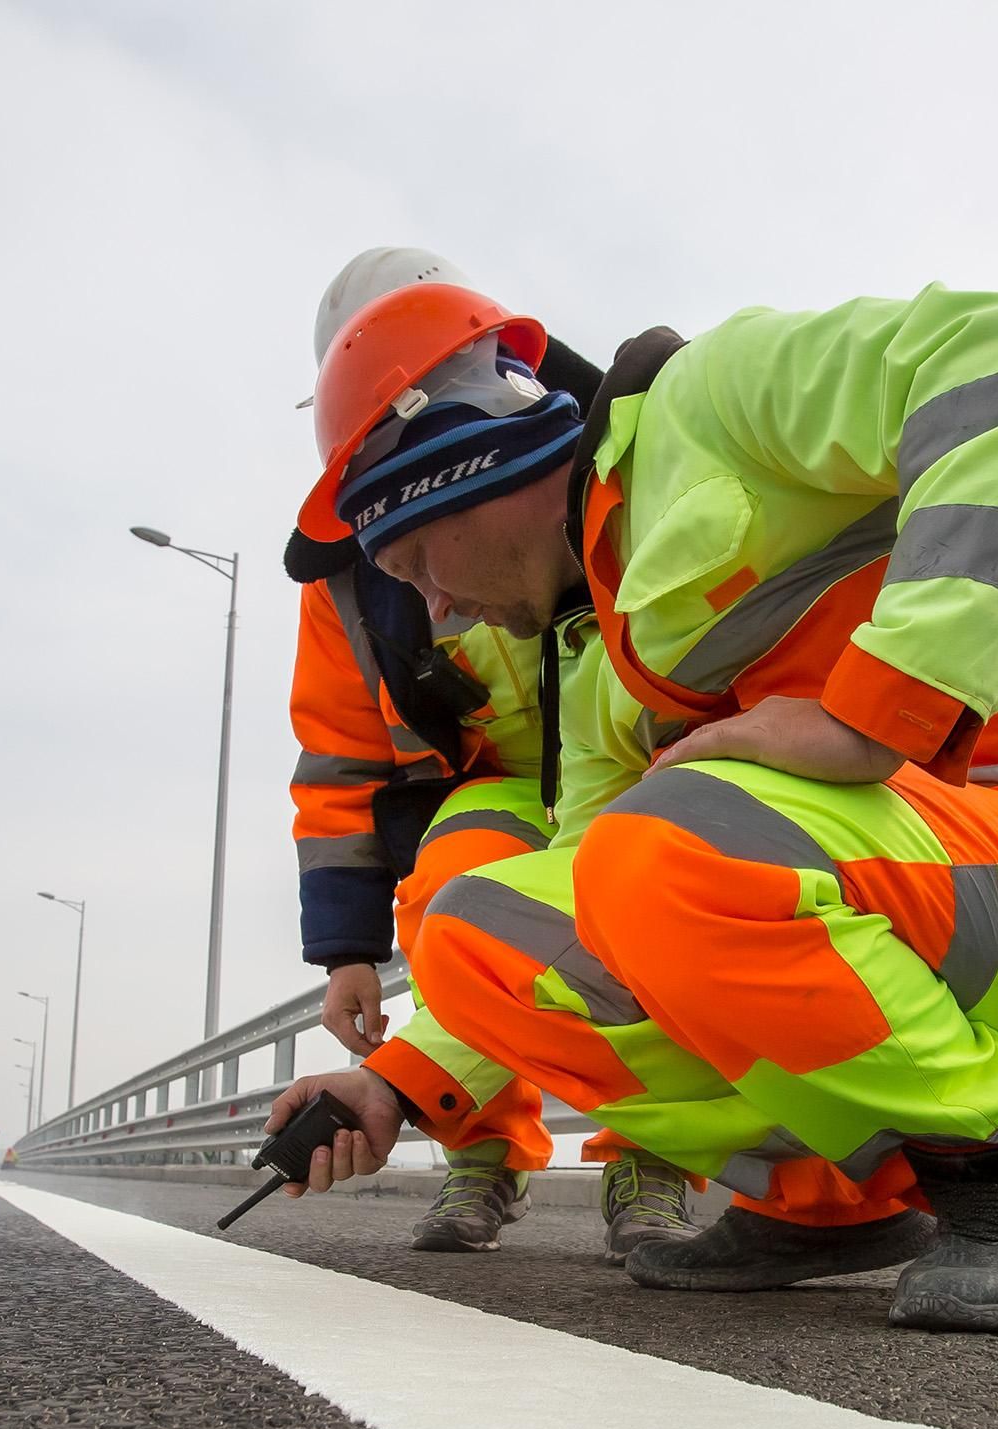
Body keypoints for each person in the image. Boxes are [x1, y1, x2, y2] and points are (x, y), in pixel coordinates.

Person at [266, 277, 998, 1332]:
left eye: (416, 562)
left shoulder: (710, 401)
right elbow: (589, 916)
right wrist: (397, 1086)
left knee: (659, 854)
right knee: (475, 933)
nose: (439, 609)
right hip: (879, 890)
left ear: (466, 470)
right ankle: (827, 1198)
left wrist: (884, 707)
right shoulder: (595, 663)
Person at [283, 249, 697, 1262]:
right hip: (501, 783)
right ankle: (479, 1147)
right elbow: (341, 760)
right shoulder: (344, 581)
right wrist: (346, 950)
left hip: (636, 750)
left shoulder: (591, 448)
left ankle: (655, 1152)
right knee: (453, 887)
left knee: (655, 885)